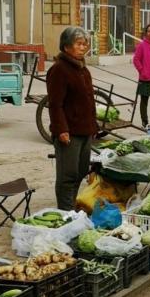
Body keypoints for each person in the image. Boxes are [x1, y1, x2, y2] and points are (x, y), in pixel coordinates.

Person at [47, 27, 98, 211]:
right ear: (66, 46)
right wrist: (61, 129)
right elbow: (55, 104)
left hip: (85, 131)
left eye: (85, 44)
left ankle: (70, 207)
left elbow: (89, 101)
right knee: (67, 176)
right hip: (69, 133)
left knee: (81, 171)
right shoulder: (59, 70)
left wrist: (93, 127)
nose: (83, 47)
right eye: (79, 43)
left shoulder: (82, 69)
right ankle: (65, 212)